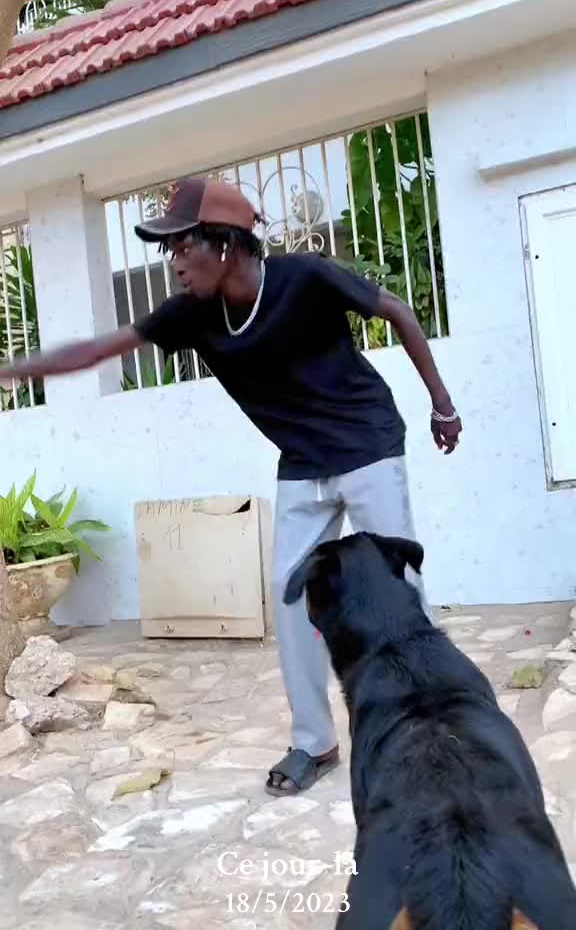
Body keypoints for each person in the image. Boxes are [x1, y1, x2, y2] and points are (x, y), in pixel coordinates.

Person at [0, 176, 462, 795]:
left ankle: (431, 726)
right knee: (290, 595)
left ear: (224, 244)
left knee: (396, 586)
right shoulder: (193, 315)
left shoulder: (305, 277)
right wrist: (14, 369)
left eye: (182, 246)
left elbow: (397, 310)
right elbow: (98, 349)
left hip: (368, 445)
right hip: (302, 462)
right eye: (169, 250)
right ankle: (314, 742)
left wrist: (442, 405)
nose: (173, 262)